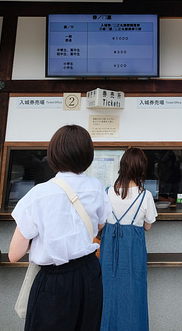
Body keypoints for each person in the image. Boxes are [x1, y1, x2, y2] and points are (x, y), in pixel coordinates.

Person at [8, 125, 111, 331]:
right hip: (90, 273)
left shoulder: (39, 194)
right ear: (87, 155)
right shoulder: (96, 186)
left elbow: (14, 254)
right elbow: (101, 224)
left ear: (53, 154)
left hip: (54, 281)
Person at [100, 147, 158, 331]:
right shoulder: (145, 196)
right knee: (135, 296)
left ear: (122, 166)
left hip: (108, 253)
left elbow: (100, 225)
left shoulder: (108, 192)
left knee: (107, 296)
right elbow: (148, 226)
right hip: (134, 255)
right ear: (141, 169)